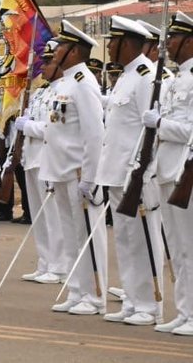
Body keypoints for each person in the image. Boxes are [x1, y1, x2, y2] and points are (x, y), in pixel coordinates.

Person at [97, 16, 163, 325]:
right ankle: (132, 299)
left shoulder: (146, 76)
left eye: (113, 41)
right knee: (124, 239)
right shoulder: (125, 77)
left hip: (135, 173)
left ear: (127, 45)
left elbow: (149, 131)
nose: (109, 46)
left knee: (143, 240)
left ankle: (149, 305)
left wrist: (141, 172)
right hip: (116, 171)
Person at [41, 20, 108, 316]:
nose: (57, 50)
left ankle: (94, 296)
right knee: (71, 237)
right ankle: (77, 290)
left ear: (75, 51)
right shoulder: (66, 81)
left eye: (63, 46)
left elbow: (94, 134)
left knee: (87, 237)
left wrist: (91, 177)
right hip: (60, 170)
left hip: (78, 172)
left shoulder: (85, 83)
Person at [150, 11, 193, 334]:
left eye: (174, 39)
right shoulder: (174, 79)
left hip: (185, 170)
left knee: (190, 246)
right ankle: (183, 311)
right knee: (176, 247)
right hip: (166, 169)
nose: (168, 44)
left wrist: (161, 124)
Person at [11, 39, 66, 285]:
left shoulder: (63, 91)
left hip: (49, 160)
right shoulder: (42, 91)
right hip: (32, 159)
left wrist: (29, 126)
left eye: (49, 61)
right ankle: (44, 262)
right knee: (38, 216)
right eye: (43, 61)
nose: (43, 66)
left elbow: (54, 129)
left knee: (53, 217)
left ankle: (58, 266)